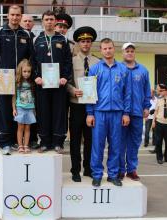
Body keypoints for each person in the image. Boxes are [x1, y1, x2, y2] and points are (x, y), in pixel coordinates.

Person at [0, 5, 33, 155]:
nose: (15, 17)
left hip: (22, 81)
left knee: (21, 110)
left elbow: (32, 58)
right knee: (6, 111)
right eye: (12, 15)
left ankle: (18, 142)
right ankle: (5, 143)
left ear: (21, 16)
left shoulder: (26, 34)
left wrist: (30, 75)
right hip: (4, 79)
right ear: (7, 16)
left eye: (17, 15)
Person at [86, 38, 131, 187]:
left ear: (114, 49)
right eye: (104, 48)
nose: (108, 51)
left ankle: (113, 175)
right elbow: (90, 93)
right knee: (97, 145)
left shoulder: (123, 69)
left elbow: (127, 94)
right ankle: (97, 174)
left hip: (117, 113)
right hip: (99, 113)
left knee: (115, 145)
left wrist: (126, 113)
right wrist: (90, 113)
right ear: (101, 50)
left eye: (110, 48)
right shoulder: (94, 69)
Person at [32, 10, 72, 154]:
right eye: (46, 19)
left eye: (51, 19)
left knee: (59, 112)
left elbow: (68, 62)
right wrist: (35, 76)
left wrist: (65, 77)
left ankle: (58, 142)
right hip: (42, 84)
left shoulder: (63, 40)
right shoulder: (37, 39)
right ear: (42, 22)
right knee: (43, 112)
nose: (49, 22)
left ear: (55, 22)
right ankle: (44, 141)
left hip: (59, 84)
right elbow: (32, 61)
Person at [67, 26, 98, 182]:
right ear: (78, 43)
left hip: (92, 107)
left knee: (90, 139)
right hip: (77, 104)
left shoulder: (98, 62)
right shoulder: (71, 61)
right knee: (75, 140)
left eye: (88, 41)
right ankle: (75, 170)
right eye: (82, 41)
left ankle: (88, 168)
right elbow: (66, 81)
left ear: (91, 43)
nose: (85, 44)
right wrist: (73, 90)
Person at [118, 42, 151, 181]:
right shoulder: (117, 68)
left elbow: (147, 91)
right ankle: (120, 170)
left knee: (134, 142)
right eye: (127, 50)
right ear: (122, 53)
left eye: (132, 50)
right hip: (120, 113)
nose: (130, 53)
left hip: (137, 112)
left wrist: (146, 106)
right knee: (120, 142)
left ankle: (132, 169)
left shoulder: (143, 70)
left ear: (134, 52)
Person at [20, 14, 38, 149]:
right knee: (20, 119)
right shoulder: (17, 36)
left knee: (32, 113)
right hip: (21, 76)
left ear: (33, 24)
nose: (27, 23)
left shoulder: (36, 39)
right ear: (21, 22)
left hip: (33, 76)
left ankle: (32, 140)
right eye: (25, 21)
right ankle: (19, 143)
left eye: (30, 21)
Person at [12, 59, 36, 153]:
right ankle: (20, 145)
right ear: (20, 71)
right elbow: (14, 97)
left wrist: (34, 109)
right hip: (20, 108)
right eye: (24, 71)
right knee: (20, 127)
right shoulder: (17, 83)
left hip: (30, 108)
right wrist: (14, 108)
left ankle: (26, 145)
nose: (26, 74)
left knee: (27, 128)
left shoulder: (31, 83)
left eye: (29, 71)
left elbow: (33, 96)